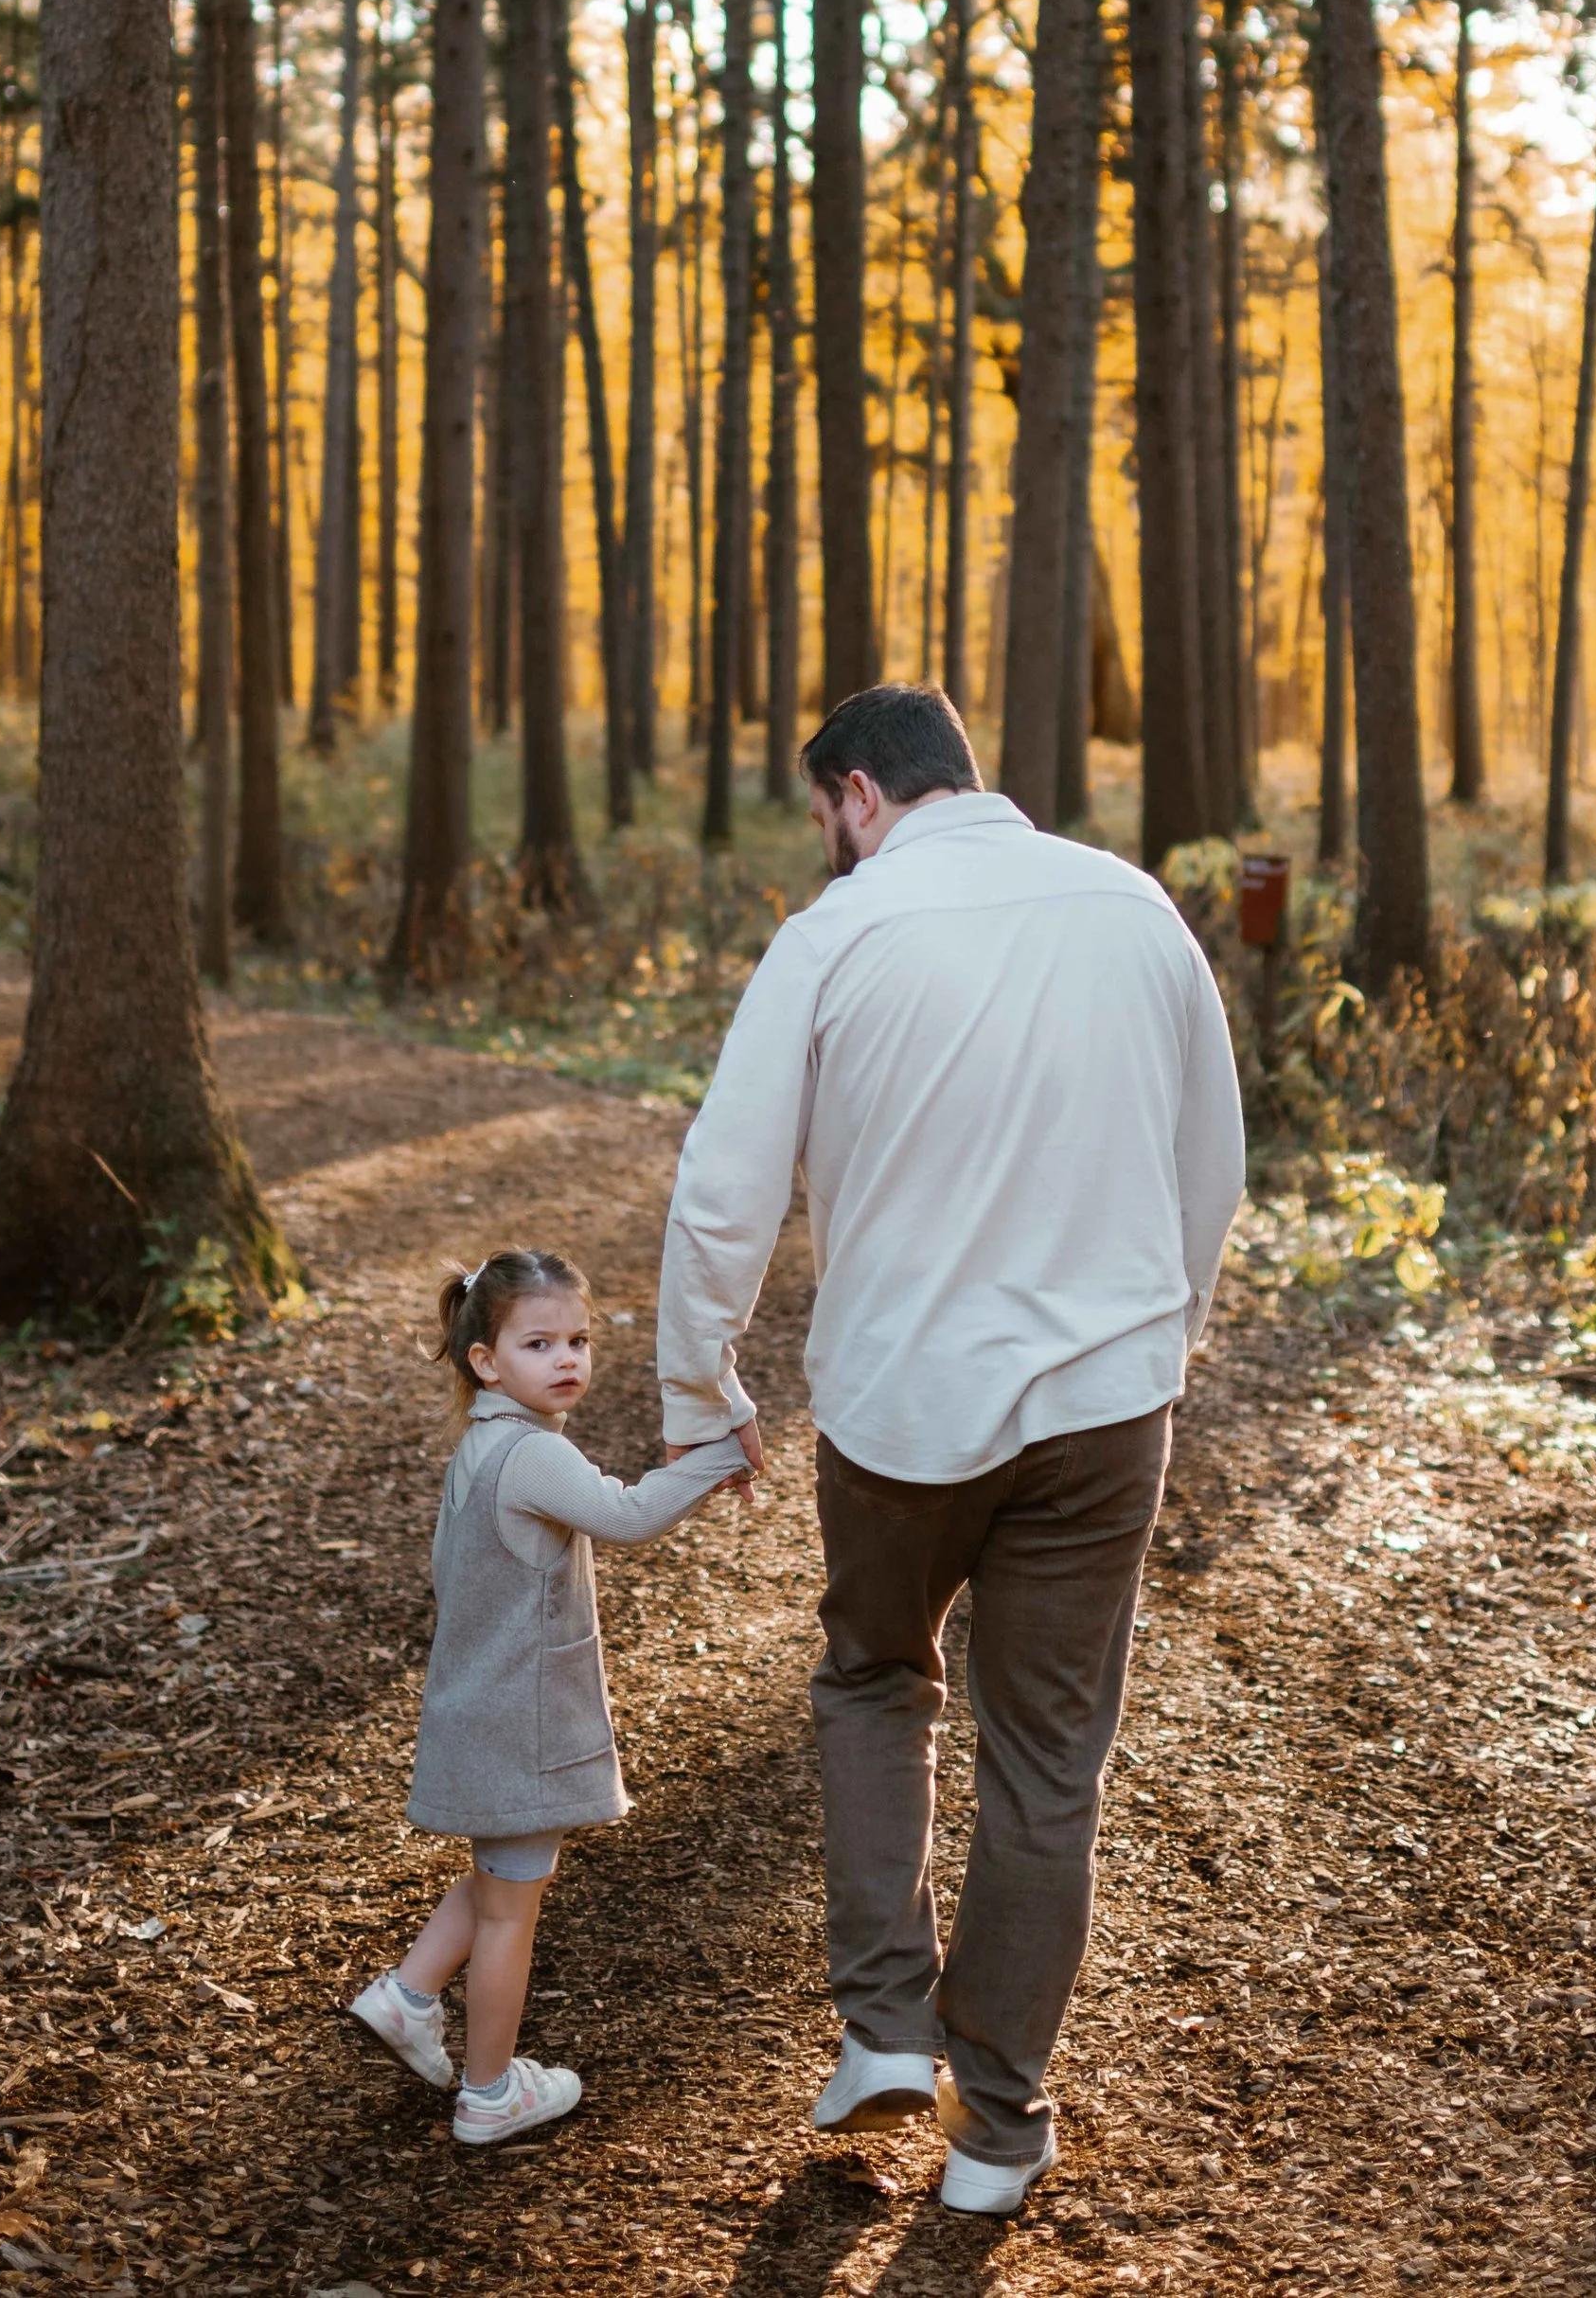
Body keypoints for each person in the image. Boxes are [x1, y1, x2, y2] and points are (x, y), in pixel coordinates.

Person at [657, 684, 1245, 2218]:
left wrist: (694, 1384)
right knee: (1050, 1759)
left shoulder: (838, 936)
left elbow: (725, 1189)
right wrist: (1158, 1343)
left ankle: (880, 2029)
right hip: (1107, 1403)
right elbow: (1212, 1165)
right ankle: (999, 2130)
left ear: (857, 794)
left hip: (905, 1409)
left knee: (873, 1676)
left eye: (824, 817)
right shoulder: (1134, 912)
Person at [350, 1248, 749, 2146]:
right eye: (539, 1343)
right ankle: (490, 2094)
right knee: (510, 1913)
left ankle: (409, 1997)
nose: (566, 1358)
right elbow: (629, 1515)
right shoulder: (529, 1455)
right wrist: (719, 1450)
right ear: (486, 1362)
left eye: (578, 1339)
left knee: (500, 1881)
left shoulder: (479, 1448)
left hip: (477, 1709)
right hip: (519, 1724)